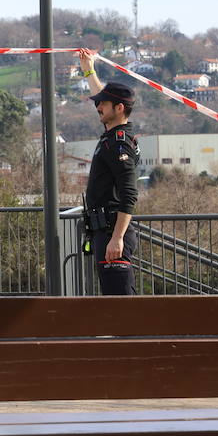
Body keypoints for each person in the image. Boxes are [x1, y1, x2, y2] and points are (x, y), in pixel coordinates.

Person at [77, 49, 140, 295]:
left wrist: (117, 238)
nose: (98, 107)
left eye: (103, 103)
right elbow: (100, 96)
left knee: (122, 306)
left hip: (112, 231)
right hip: (103, 230)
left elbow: (129, 194)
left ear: (120, 108)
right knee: (113, 302)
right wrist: (88, 69)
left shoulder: (119, 143)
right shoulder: (113, 136)